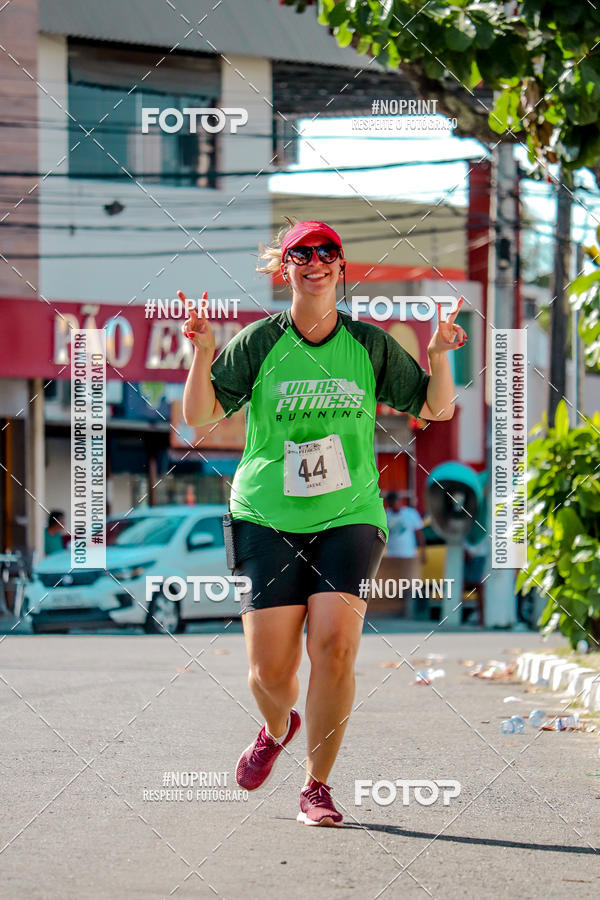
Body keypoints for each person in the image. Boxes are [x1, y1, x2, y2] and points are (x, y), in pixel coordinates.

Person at [180, 219, 466, 827]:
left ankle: (317, 787)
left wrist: (438, 356)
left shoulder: (369, 345)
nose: (313, 261)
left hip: (349, 514)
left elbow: (436, 408)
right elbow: (198, 415)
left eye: (326, 252)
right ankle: (277, 728)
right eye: (299, 253)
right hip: (265, 514)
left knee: (335, 647)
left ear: (341, 267)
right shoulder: (259, 342)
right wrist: (202, 353)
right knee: (269, 673)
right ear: (283, 268)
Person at [385, 492, 426, 618]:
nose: (394, 506)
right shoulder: (386, 515)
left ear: (399, 502)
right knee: (394, 585)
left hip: (408, 555)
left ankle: (410, 611)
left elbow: (419, 533)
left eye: (396, 503)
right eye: (391, 504)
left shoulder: (410, 514)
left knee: (409, 584)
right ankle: (397, 610)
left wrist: (423, 552)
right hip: (392, 555)